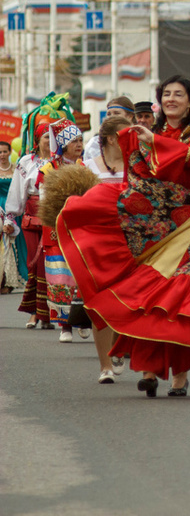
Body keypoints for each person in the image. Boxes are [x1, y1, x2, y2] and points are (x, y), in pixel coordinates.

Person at [57, 76, 190, 397]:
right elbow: (138, 171)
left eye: (177, 94)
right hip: (154, 227)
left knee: (181, 299)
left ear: (189, 101)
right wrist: (140, 148)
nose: (171, 99)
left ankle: (179, 375)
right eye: (166, 94)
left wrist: (152, 143)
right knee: (150, 298)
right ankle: (151, 369)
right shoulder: (151, 132)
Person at [83, 115, 131, 383]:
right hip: (97, 245)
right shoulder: (88, 168)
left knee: (127, 302)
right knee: (99, 304)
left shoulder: (138, 169)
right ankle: (105, 367)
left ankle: (120, 347)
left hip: (129, 246)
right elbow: (75, 206)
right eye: (127, 134)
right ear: (112, 138)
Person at [42, 119, 86, 342]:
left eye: (80, 140)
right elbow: (44, 200)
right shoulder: (49, 169)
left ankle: (82, 318)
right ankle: (64, 325)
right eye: (74, 140)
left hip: (81, 229)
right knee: (60, 277)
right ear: (63, 143)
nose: (79, 144)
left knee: (82, 275)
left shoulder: (86, 167)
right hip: (55, 228)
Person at [7, 122, 53, 328]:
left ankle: (47, 315)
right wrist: (10, 216)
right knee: (33, 264)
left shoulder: (61, 162)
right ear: (38, 140)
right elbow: (17, 191)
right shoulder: (26, 162)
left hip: (53, 219)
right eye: (46, 137)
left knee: (49, 266)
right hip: (31, 219)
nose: (49, 141)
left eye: (52, 137)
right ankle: (35, 313)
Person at [0, 137, 25, 296]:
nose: (1, 154)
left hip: (14, 210)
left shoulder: (16, 169)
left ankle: (11, 280)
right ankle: (3, 279)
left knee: (17, 246)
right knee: (3, 247)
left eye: (4, 151)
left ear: (10, 152)